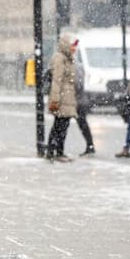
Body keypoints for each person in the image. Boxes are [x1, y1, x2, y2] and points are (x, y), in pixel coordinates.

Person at [46, 34, 78, 163]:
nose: (74, 48)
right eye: (73, 45)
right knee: (59, 126)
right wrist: (55, 99)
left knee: (62, 126)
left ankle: (56, 151)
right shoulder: (60, 58)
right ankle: (55, 152)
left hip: (67, 97)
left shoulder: (67, 58)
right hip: (62, 98)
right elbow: (57, 80)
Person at [74, 61, 96, 156]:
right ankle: (90, 145)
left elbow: (78, 84)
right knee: (82, 124)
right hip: (78, 101)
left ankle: (90, 145)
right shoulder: (77, 66)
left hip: (77, 101)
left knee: (82, 124)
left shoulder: (76, 66)